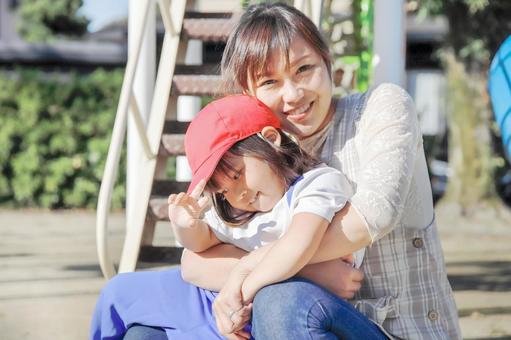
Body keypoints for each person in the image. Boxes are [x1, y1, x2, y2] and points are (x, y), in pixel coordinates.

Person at [91, 2, 461, 340]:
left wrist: (244, 271)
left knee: (282, 298)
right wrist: (310, 271)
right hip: (297, 323)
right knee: (145, 333)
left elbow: (372, 216)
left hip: (395, 329)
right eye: (270, 82)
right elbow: (195, 262)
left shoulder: (380, 108)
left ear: (327, 62)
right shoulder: (249, 156)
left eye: (304, 69)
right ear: (246, 94)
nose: (293, 94)